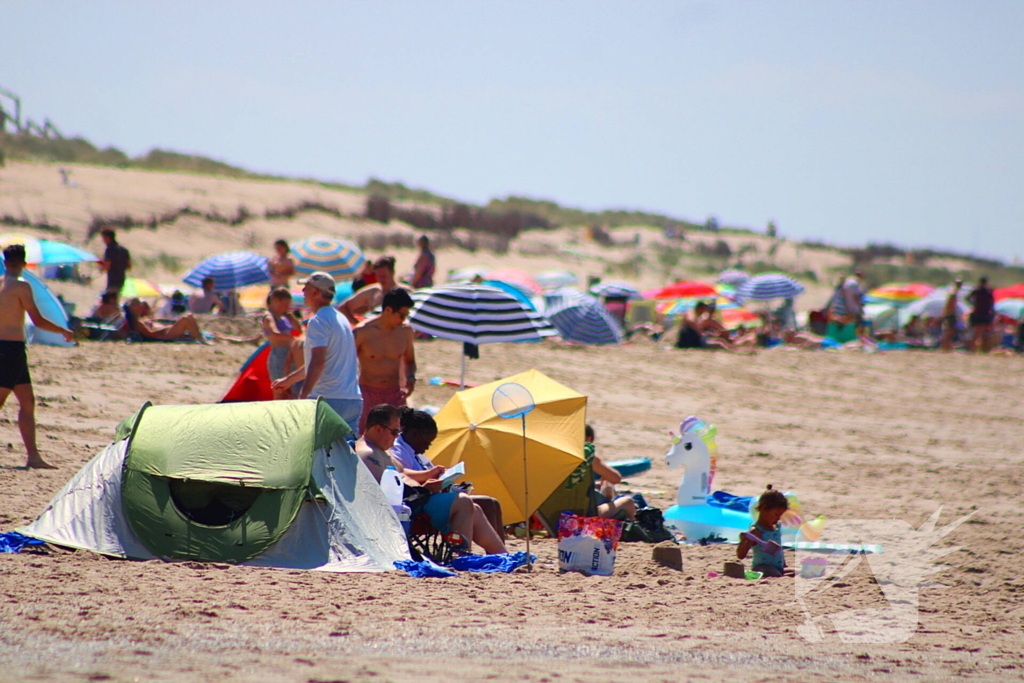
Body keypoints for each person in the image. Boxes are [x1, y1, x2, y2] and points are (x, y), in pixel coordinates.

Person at [357, 404, 506, 555]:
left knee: (475, 508)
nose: (397, 437)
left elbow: (403, 473)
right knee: (463, 501)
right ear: (378, 428)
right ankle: (462, 555)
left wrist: (429, 474)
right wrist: (424, 490)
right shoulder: (368, 454)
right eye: (395, 432)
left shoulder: (381, 450)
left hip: (416, 499)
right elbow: (385, 492)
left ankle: (501, 554)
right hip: (408, 506)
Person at [0, 245, 75, 469]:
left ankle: (33, 457)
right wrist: (63, 331)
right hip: (10, 350)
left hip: (12, 349)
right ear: (24, 264)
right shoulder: (22, 286)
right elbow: (38, 320)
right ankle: (33, 456)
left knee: (27, 401)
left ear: (5, 262)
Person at [389, 407, 505, 538]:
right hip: (419, 503)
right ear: (415, 433)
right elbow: (405, 479)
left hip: (431, 497)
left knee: (493, 502)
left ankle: (497, 552)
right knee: (486, 504)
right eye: (427, 442)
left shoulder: (413, 452)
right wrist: (430, 477)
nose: (427, 447)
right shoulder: (398, 450)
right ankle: (496, 553)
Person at [271, 272, 362, 430]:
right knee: (347, 453)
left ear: (315, 292)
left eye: (306, 288)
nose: (303, 292)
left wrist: (304, 395)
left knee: (319, 453)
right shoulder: (341, 319)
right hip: (352, 399)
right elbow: (318, 363)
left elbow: (318, 361)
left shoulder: (318, 321)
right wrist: (289, 381)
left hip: (329, 399)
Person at [353, 288, 417, 433]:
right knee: (365, 437)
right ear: (388, 310)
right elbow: (346, 363)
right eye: (402, 315)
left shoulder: (405, 332)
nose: (404, 320)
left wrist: (411, 377)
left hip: (395, 394)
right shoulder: (363, 332)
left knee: (396, 438)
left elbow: (410, 361)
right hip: (367, 394)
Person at [736, 485, 792, 578]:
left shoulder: (776, 527)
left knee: (799, 571)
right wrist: (743, 541)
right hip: (761, 567)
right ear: (764, 508)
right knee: (772, 573)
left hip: (778, 567)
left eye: (780, 515)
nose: (778, 518)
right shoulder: (756, 532)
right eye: (776, 514)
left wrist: (783, 564)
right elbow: (741, 555)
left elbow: (778, 551)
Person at [336, 256, 409, 325]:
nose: (381, 279)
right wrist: (360, 325)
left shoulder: (406, 292)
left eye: (384, 276)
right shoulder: (372, 292)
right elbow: (343, 307)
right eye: (378, 276)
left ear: (392, 272)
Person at [262, 287, 300, 400]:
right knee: (279, 390)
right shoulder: (269, 316)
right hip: (279, 355)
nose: (286, 308)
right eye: (285, 305)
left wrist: (292, 317)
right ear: (276, 301)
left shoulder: (283, 316)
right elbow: (274, 333)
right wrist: (294, 339)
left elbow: (300, 328)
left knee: (292, 389)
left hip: (289, 355)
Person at [124, 298, 210, 344]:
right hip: (163, 336)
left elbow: (154, 322)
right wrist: (166, 328)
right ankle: (200, 338)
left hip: (164, 333)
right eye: (139, 303)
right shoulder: (137, 323)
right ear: (134, 307)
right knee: (185, 319)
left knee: (188, 316)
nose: (142, 305)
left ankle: (199, 336)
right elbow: (151, 334)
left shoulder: (140, 319)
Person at [967, 276, 996, 353]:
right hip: (985, 313)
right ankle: (982, 350)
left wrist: (973, 304)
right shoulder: (989, 291)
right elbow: (992, 303)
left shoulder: (976, 290)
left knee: (975, 333)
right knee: (984, 333)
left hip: (977, 313)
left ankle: (972, 349)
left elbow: (967, 298)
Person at [98, 228, 131, 294]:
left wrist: (100, 267)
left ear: (108, 238)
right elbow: (129, 266)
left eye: (103, 238)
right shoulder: (124, 250)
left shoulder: (109, 249)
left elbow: (107, 266)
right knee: (116, 299)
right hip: (121, 279)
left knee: (110, 299)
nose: (103, 240)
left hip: (112, 280)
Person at [940, 279, 963, 352]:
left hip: (950, 314)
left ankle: (947, 346)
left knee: (950, 331)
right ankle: (945, 346)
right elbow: (950, 304)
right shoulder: (953, 293)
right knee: (949, 331)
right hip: (950, 314)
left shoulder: (953, 292)